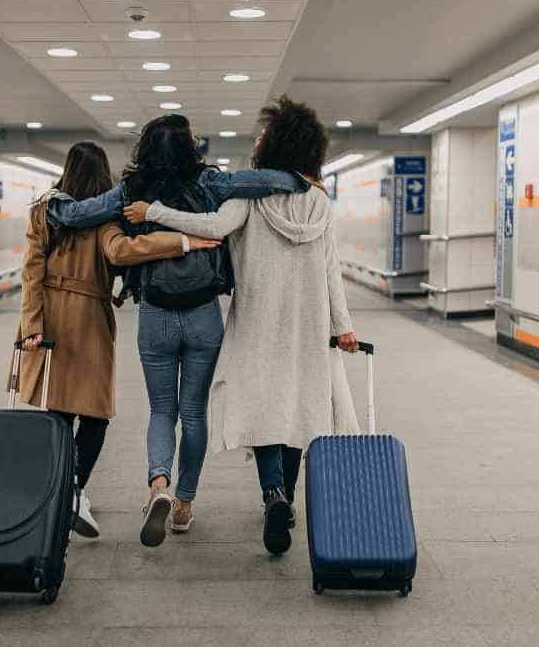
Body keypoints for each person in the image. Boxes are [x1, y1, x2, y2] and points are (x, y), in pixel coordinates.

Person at [47, 114, 310, 548]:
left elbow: (76, 214)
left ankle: (158, 486)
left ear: (145, 147)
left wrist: (52, 202)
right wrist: (300, 181)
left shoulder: (133, 190)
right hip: (203, 314)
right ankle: (184, 502)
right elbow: (266, 181)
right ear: (191, 147)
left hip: (155, 315)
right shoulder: (210, 182)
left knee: (161, 412)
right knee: (194, 414)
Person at [123, 96, 361, 555]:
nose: (257, 139)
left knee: (264, 408)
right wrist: (343, 325)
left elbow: (210, 227)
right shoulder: (321, 203)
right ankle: (284, 498)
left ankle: (271, 491)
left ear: (277, 144)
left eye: (263, 134)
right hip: (307, 324)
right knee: (296, 407)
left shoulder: (248, 198)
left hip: (257, 319)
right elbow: (331, 268)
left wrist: (154, 212)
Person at [15, 141, 220, 539]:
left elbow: (30, 273)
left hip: (51, 321)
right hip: (89, 320)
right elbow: (125, 251)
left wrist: (32, 325)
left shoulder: (43, 213)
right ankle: (73, 490)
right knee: (94, 417)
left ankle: (58, 492)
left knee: (57, 412)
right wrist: (183, 240)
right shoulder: (105, 220)